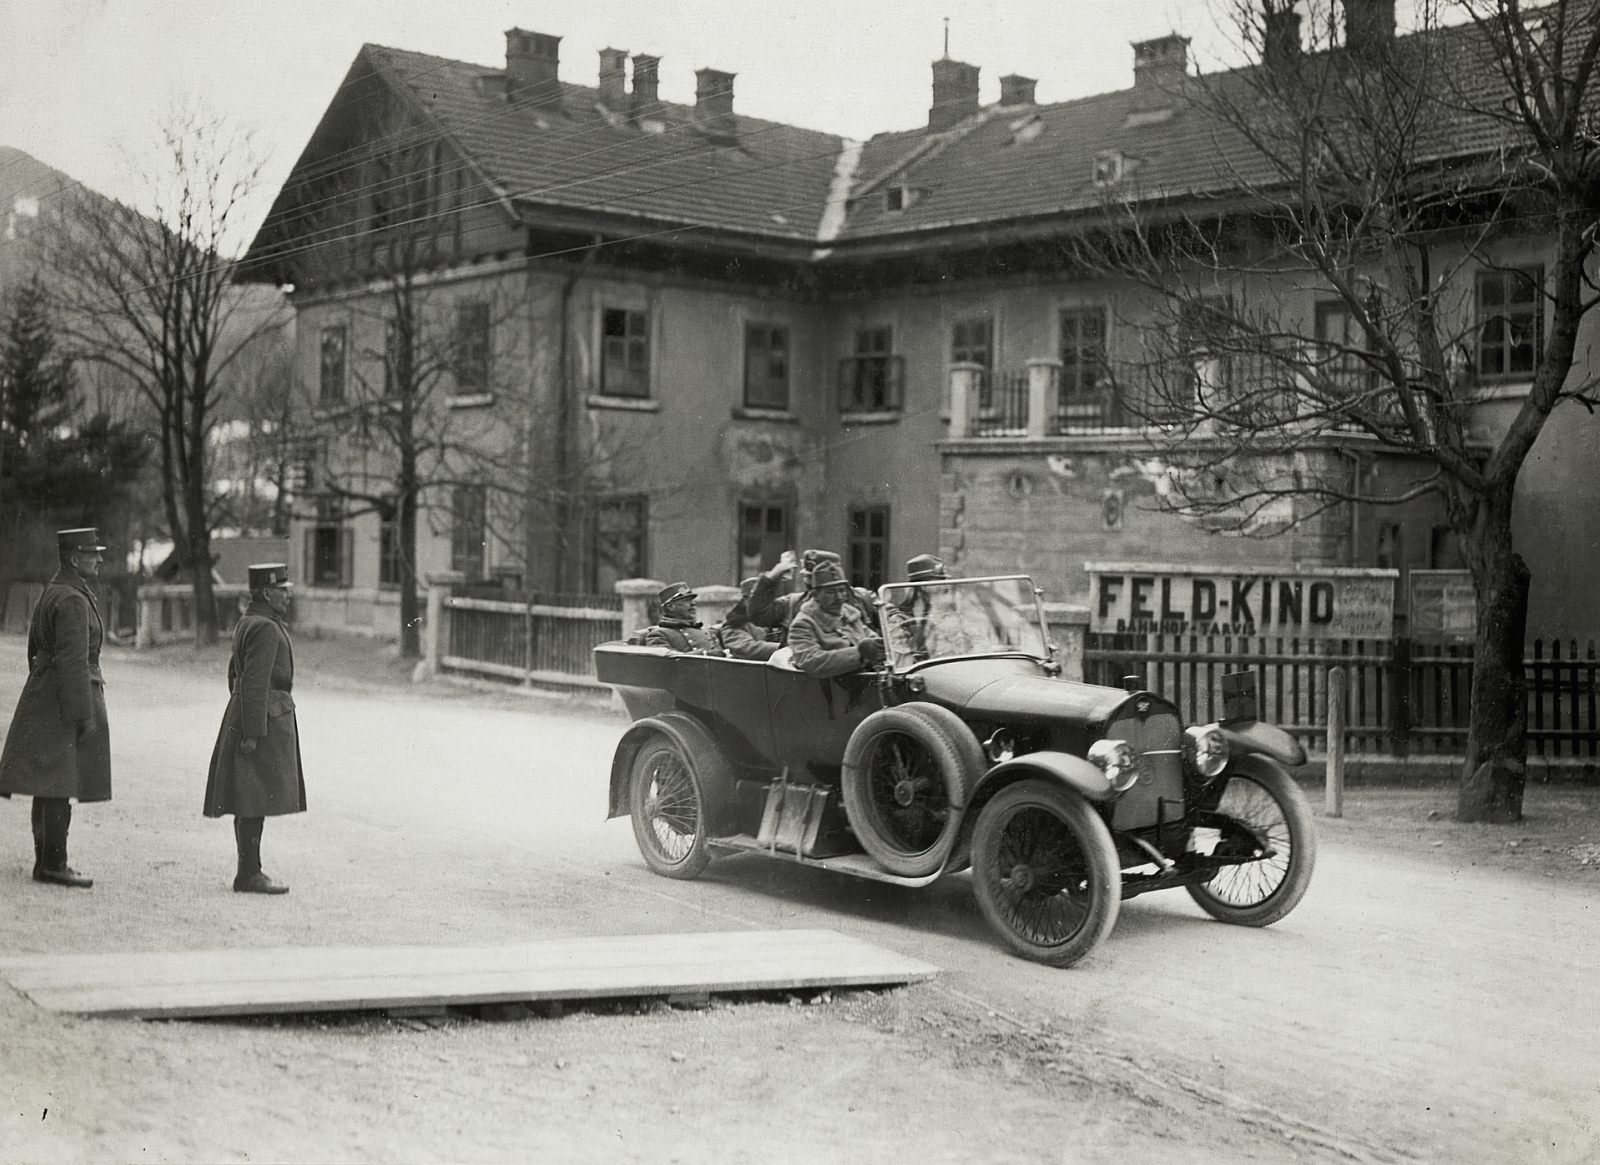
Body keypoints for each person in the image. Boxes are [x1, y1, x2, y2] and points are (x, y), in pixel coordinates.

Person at [0, 528, 113, 888]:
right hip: (66, 699)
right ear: (74, 559)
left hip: (47, 693)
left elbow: (34, 650)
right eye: (92, 553)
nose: (99, 558)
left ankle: (47, 861)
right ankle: (52, 865)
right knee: (59, 782)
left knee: (49, 781)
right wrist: (82, 714)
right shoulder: (74, 599)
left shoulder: (56, 591)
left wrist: (44, 686)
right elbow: (73, 661)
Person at [203, 563, 307, 894]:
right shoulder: (265, 627)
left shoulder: (249, 621)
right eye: (282, 590)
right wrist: (251, 732)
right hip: (262, 720)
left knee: (251, 797)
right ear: (266, 593)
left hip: (249, 714)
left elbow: (233, 676)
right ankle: (249, 873)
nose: (288, 595)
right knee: (253, 799)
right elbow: (254, 680)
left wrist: (241, 715)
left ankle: (249, 871)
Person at [786, 560, 885, 678]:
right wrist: (859, 653)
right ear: (815, 595)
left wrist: (882, 647)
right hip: (827, 691)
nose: (839, 597)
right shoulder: (803, 624)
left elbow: (871, 640)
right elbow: (811, 662)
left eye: (842, 590)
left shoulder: (850, 615)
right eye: (830, 592)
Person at [638, 582, 725, 654]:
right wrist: (704, 654)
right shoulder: (658, 634)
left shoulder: (706, 631)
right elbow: (667, 663)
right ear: (670, 606)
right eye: (686, 601)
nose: (693, 604)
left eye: (692, 600)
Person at [715, 577, 780, 661]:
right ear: (746, 599)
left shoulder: (774, 618)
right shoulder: (734, 623)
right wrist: (784, 648)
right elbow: (746, 649)